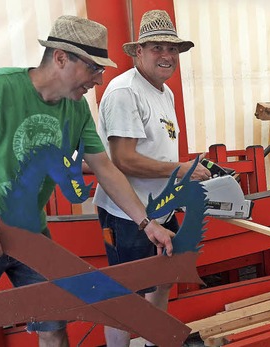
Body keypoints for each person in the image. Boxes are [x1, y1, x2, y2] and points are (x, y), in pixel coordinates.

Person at [0, 15, 175, 347]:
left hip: (30, 237)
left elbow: (106, 169)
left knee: (53, 327)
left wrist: (145, 222)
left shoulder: (77, 109)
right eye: (94, 69)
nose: (98, 80)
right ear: (61, 57)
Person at [92, 9, 211, 347]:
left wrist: (180, 175)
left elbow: (157, 153)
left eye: (172, 49)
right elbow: (123, 159)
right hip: (126, 214)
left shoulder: (163, 91)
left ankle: (152, 341)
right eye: (157, 48)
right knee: (125, 293)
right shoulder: (123, 92)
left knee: (162, 279)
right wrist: (180, 170)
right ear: (138, 52)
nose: (166, 56)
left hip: (161, 206)